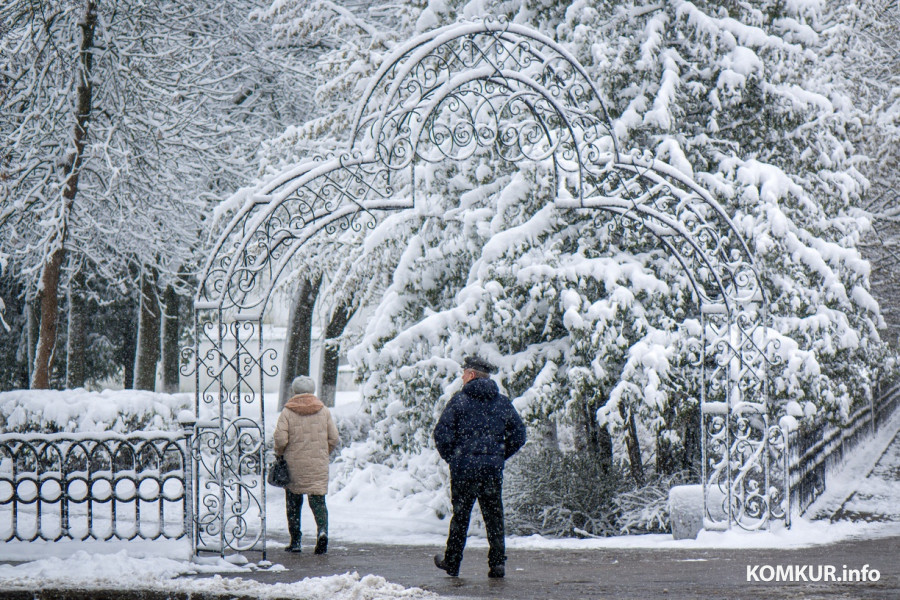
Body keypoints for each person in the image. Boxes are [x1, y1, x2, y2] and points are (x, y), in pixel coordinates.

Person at [432, 355, 527, 579]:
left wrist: (453, 458)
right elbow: (519, 434)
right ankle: (497, 565)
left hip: (464, 470)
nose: (462, 377)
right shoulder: (501, 402)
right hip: (491, 471)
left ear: (472, 375)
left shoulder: (459, 401)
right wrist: (499, 455)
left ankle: (452, 563)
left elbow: (441, 433)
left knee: (461, 517)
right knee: (494, 517)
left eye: (464, 373)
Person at [274, 375, 340, 554]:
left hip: (294, 464)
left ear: (294, 391)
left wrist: (280, 453)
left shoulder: (287, 412)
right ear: (313, 391)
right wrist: (323, 452)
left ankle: (295, 541)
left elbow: (280, 439)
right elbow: (334, 438)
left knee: (293, 503)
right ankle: (322, 532)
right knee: (318, 500)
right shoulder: (323, 411)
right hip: (317, 463)